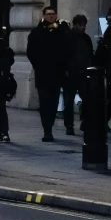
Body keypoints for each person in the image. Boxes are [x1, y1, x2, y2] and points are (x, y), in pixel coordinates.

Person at [26, 7, 69, 141]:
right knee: (44, 102)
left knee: (54, 102)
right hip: (43, 73)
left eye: (53, 14)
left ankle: (49, 124)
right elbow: (30, 52)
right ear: (43, 16)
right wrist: (38, 65)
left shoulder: (61, 31)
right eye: (48, 14)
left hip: (57, 73)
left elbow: (67, 50)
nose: (51, 16)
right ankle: (47, 130)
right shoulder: (36, 32)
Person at [64, 14, 96, 132]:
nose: (82, 27)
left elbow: (90, 56)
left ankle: (83, 121)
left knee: (86, 99)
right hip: (72, 73)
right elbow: (64, 56)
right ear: (75, 25)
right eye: (80, 25)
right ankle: (69, 125)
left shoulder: (85, 38)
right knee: (69, 100)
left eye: (84, 25)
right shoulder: (69, 37)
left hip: (83, 73)